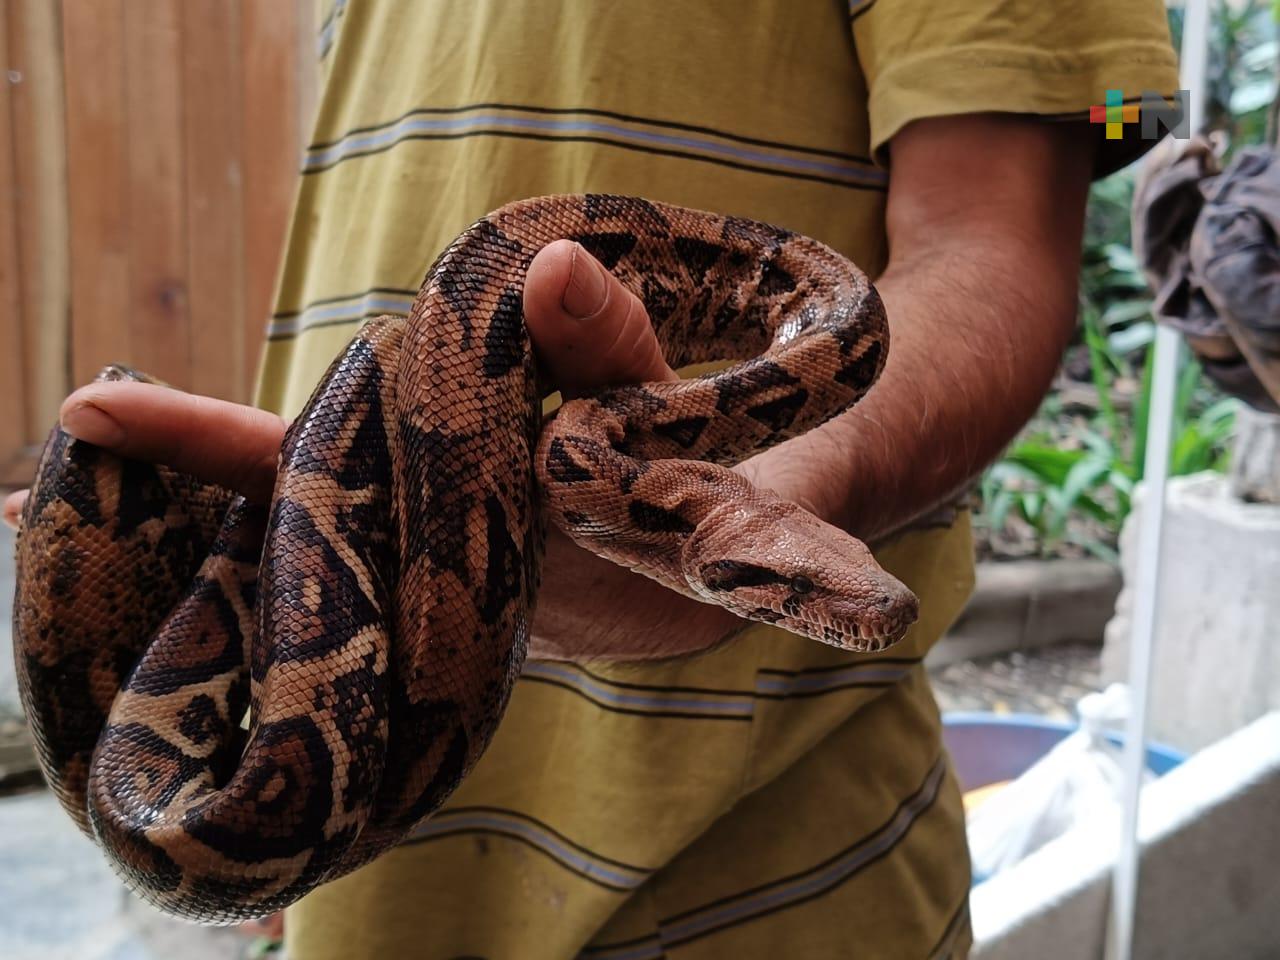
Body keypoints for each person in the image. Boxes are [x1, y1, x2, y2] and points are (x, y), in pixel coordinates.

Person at [4, 2, 1179, 956]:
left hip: (759, 893)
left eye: (802, 593)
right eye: (800, 597)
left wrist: (795, 491)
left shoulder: (660, 482)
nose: (845, 608)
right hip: (366, 895)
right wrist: (274, 768)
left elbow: (1001, 247)